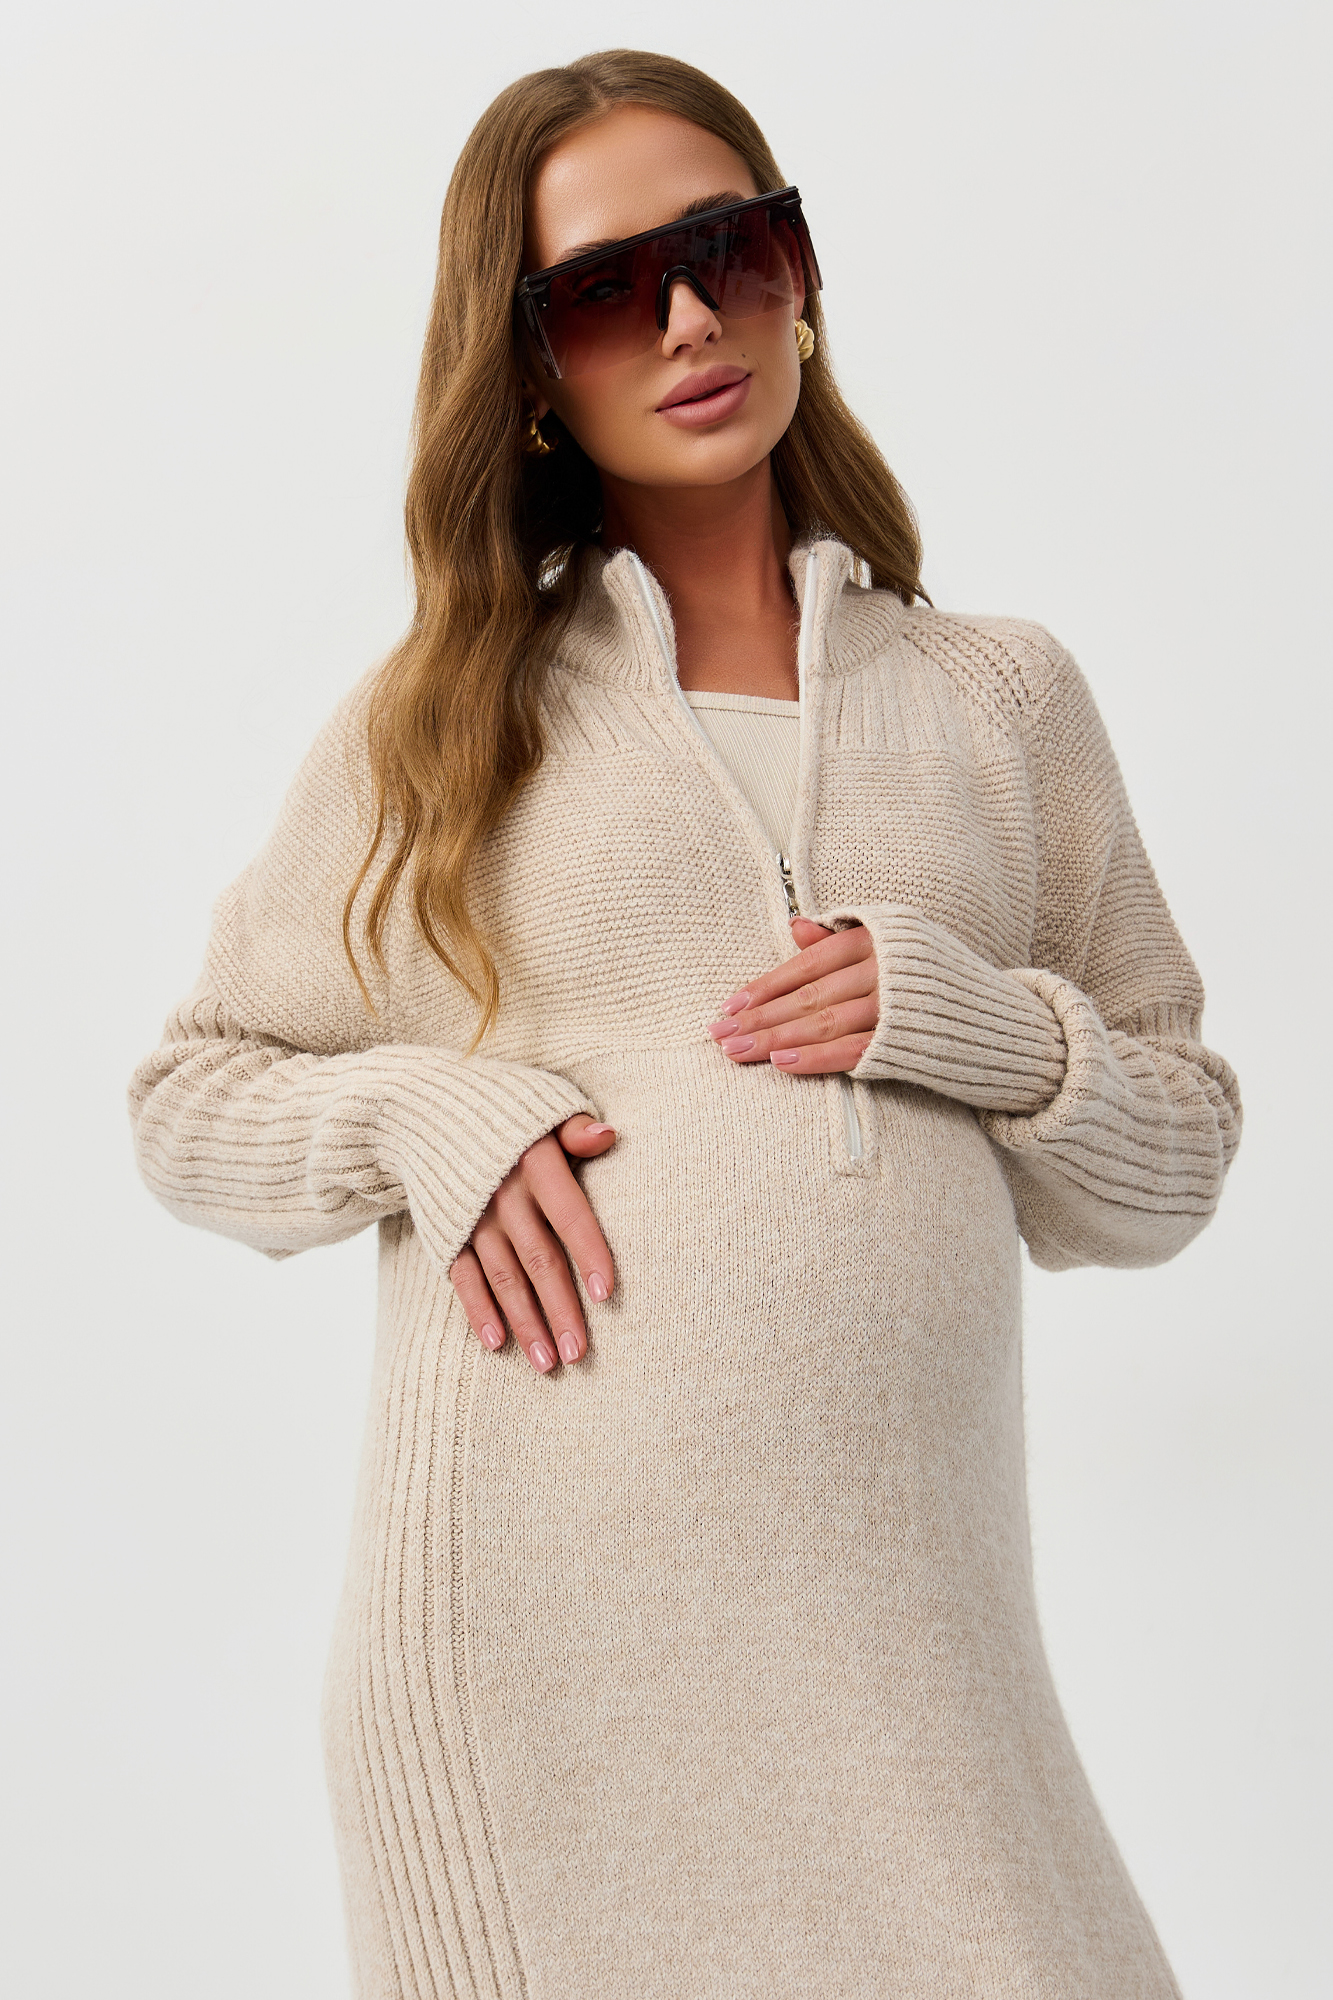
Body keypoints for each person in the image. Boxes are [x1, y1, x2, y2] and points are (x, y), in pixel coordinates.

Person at [129, 47, 1241, 2000]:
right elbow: (190, 1096)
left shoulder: (1000, 700)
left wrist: (989, 1029)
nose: (686, 320)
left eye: (730, 246)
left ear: (799, 270)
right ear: (526, 367)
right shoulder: (445, 718)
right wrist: (422, 1117)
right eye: (599, 290)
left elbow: (1171, 1162)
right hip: (532, 1661)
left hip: (916, 1665)